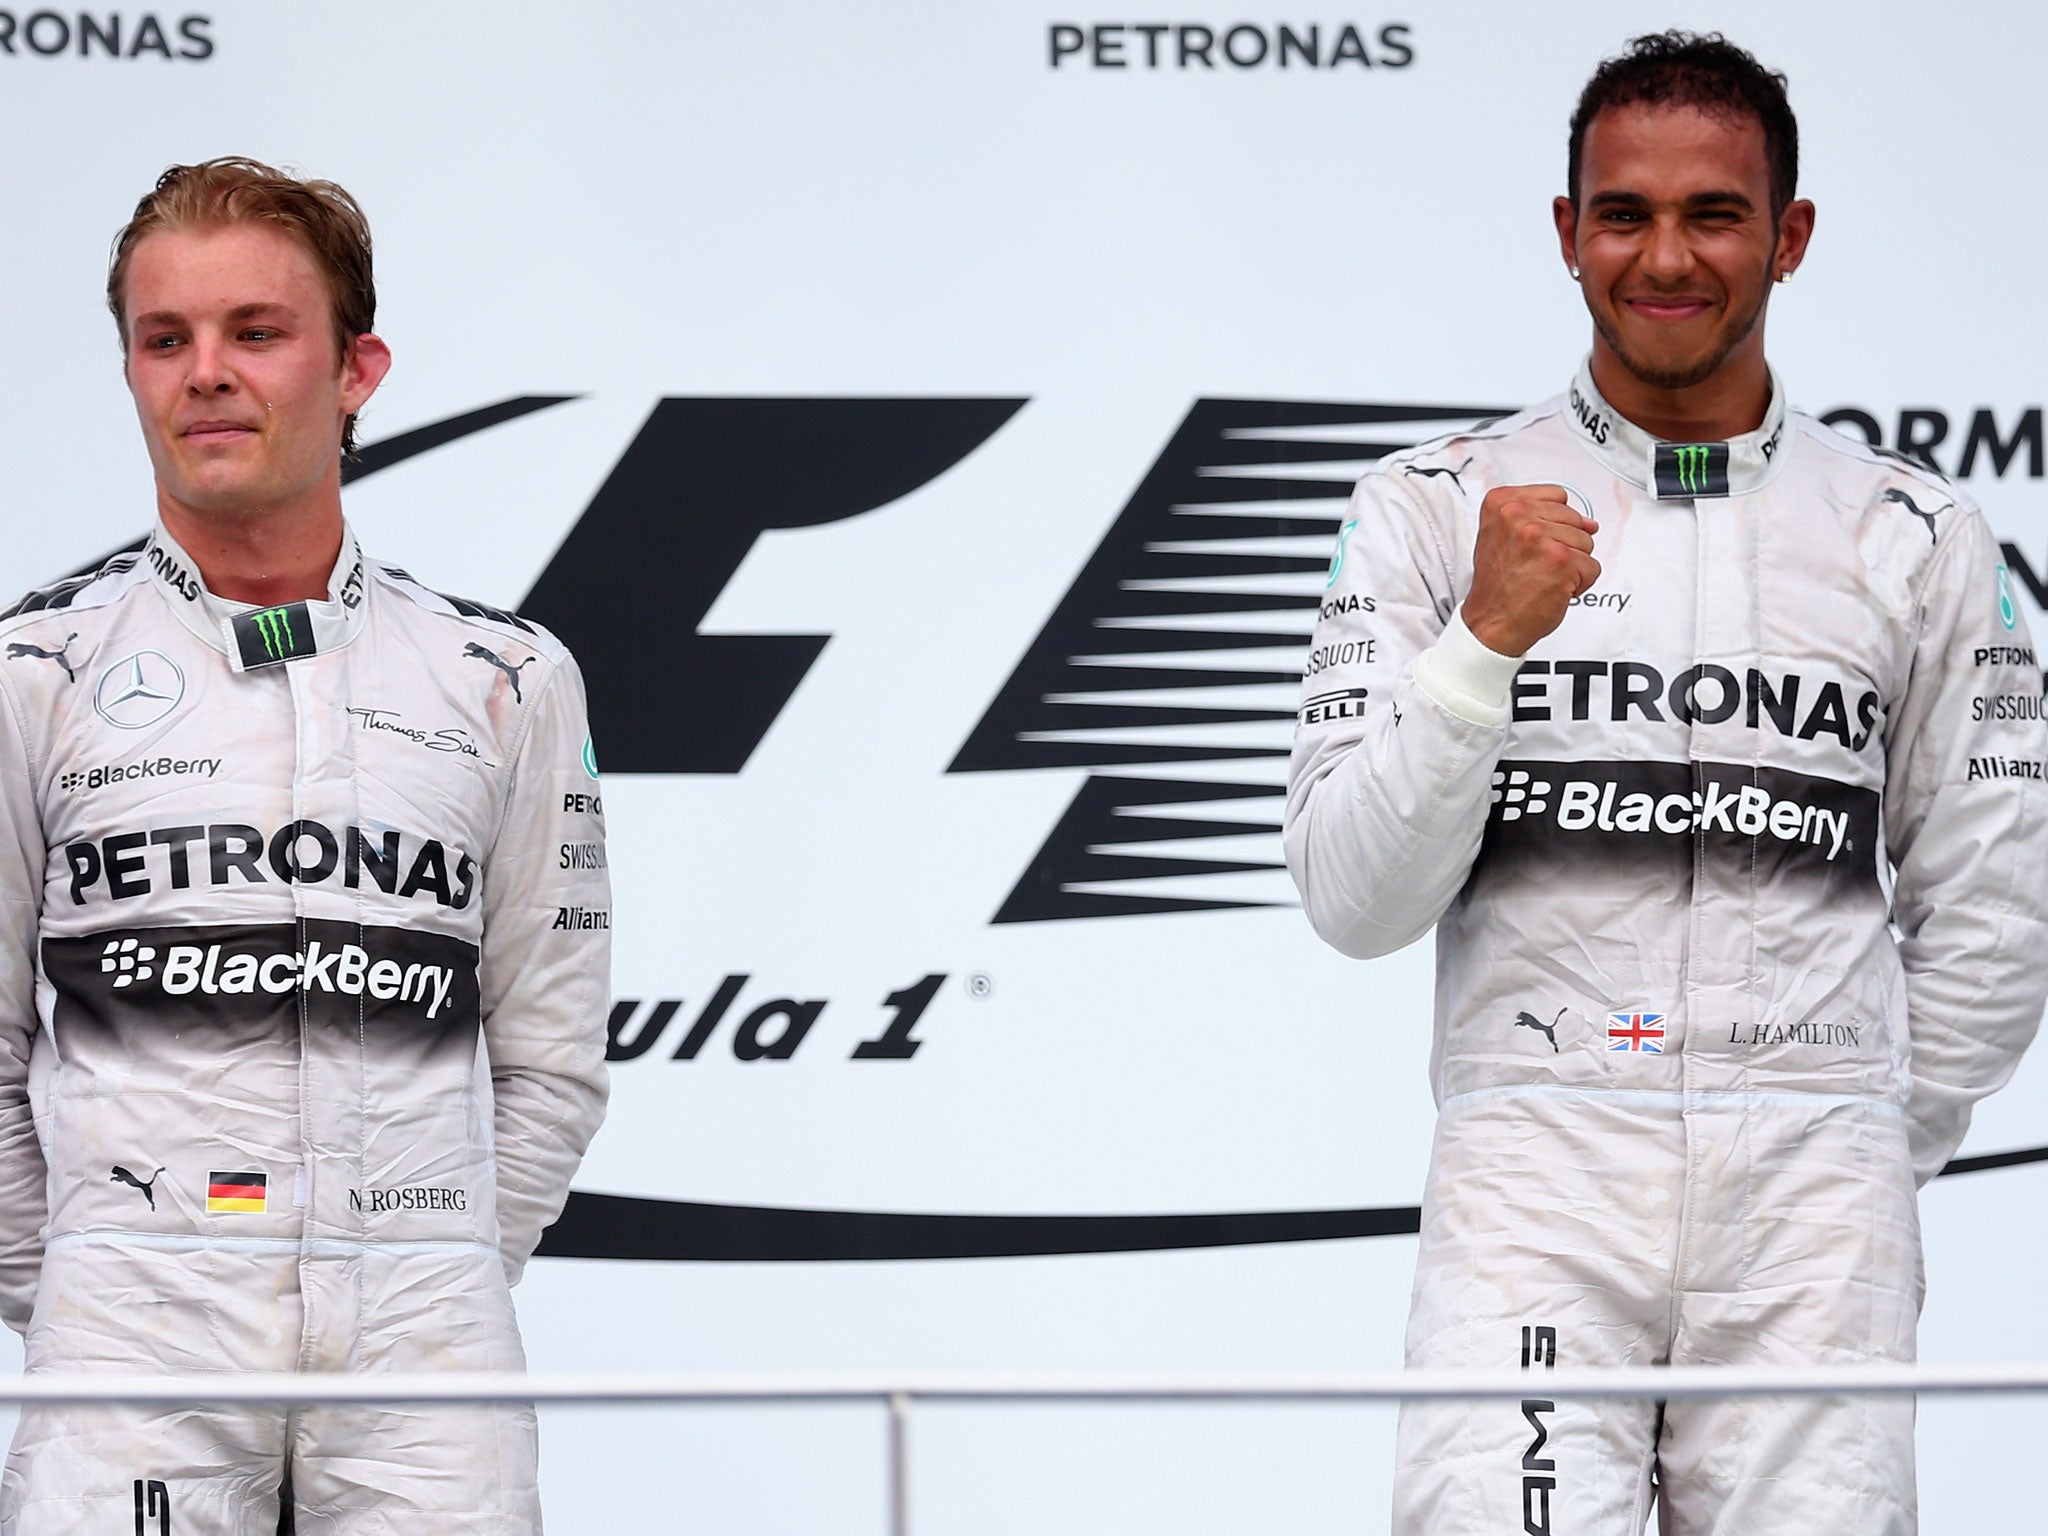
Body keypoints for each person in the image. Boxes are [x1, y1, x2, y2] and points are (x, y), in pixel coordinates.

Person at [1285, 31, 2048, 1535]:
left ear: (1790, 236)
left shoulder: (1917, 534)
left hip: (1817, 1200)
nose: (1667, 255)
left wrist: (1850, 1141)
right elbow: (1352, 898)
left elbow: (1999, 899)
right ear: (1568, 234)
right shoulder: (1434, 513)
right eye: (1624, 213)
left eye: (1714, 212)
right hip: (1535, 1176)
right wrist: (1484, 646)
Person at [0, 158, 611, 1533]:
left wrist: (429, 1256)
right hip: (130, 1340)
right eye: (167, 340)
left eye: (256, 332)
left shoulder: (505, 677)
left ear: (357, 369)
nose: (205, 373)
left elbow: (555, 1051)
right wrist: (100, 1289)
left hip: (424, 1340)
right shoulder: (32, 671)